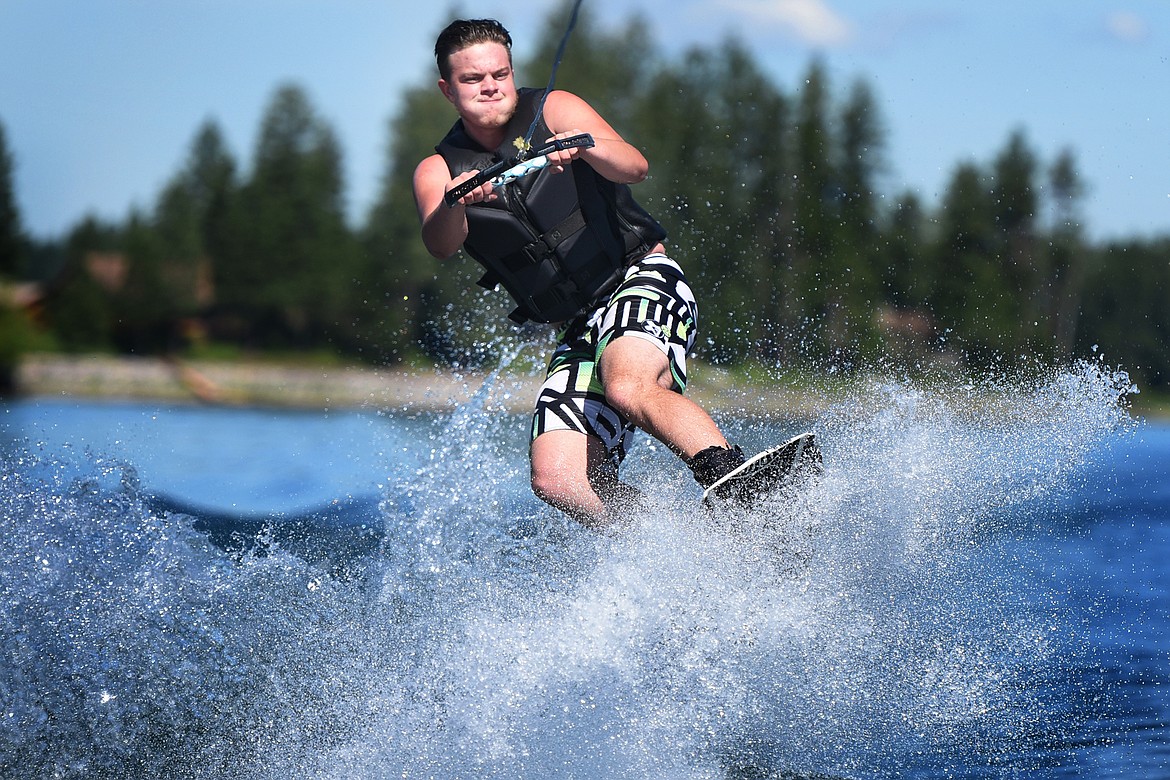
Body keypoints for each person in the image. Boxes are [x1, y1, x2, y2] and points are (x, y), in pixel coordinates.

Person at [413, 18, 750, 530]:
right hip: (580, 324)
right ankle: (671, 544)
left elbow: (635, 165)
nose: (490, 86)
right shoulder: (437, 169)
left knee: (628, 386)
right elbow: (440, 242)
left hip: (641, 278)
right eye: (472, 79)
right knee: (557, 477)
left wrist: (588, 143)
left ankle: (741, 486)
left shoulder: (553, 108)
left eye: (499, 74)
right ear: (447, 89)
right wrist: (457, 201)